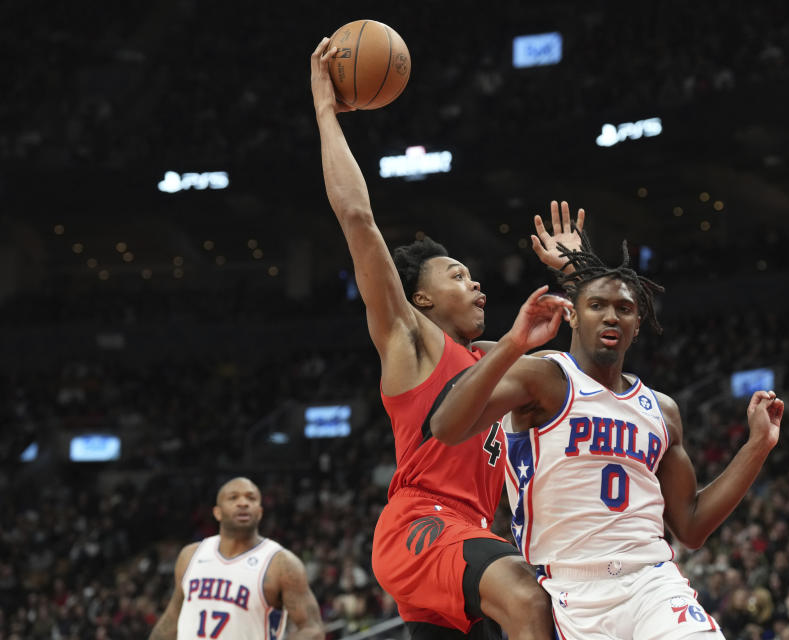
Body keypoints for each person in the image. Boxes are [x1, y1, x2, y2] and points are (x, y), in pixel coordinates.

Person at [310, 37, 583, 640]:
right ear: (423, 299)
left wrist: (578, 275)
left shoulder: (490, 359)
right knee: (530, 600)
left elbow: (591, 372)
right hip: (422, 525)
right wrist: (327, 112)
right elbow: (358, 218)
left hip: (474, 536)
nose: (477, 282)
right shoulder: (410, 337)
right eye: (457, 275)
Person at [431, 235, 785, 639]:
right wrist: (515, 341)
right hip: (574, 590)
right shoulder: (543, 376)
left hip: (652, 581)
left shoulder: (662, 410)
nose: (611, 317)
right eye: (596, 306)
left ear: (638, 325)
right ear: (573, 316)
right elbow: (447, 427)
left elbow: (691, 527)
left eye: (625, 309)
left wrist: (758, 446)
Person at [148, 477, 324, 640]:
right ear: (217, 512)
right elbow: (172, 618)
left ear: (260, 512)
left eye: (251, 498)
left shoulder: (281, 563)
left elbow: (312, 628)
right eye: (233, 498)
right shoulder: (191, 555)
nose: (243, 503)